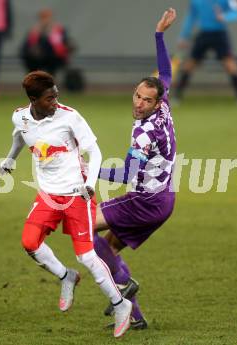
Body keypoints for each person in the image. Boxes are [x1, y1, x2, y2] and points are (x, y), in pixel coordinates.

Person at [0, 71, 132, 338]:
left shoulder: (69, 117)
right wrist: (10, 158)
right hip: (48, 194)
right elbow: (19, 134)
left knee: (86, 256)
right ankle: (65, 276)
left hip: (76, 193)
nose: (55, 102)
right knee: (29, 242)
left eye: (56, 95)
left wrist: (91, 184)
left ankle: (121, 304)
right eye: (49, 98)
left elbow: (95, 152)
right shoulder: (21, 116)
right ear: (33, 100)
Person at [93, 8, 177, 330]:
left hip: (144, 202)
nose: (139, 103)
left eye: (146, 100)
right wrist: (159, 35)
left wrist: (92, 169)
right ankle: (136, 318)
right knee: (110, 248)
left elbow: (127, 174)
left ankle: (123, 289)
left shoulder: (143, 132)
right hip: (164, 199)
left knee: (86, 229)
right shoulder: (164, 105)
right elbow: (165, 74)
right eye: (137, 95)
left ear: (155, 104)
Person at [174, 0, 237, 103]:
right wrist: (184, 36)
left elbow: (236, 13)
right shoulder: (196, 1)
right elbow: (191, 18)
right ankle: (177, 97)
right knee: (189, 65)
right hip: (204, 34)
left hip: (220, 34)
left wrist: (224, 17)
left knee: (230, 65)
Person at [20, 8, 74, 78]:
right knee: (31, 57)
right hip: (37, 58)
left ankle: (50, 80)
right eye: (43, 18)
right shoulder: (34, 31)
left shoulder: (58, 30)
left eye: (47, 18)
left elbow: (65, 43)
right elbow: (26, 47)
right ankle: (34, 79)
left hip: (54, 57)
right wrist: (32, 49)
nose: (45, 20)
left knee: (53, 59)